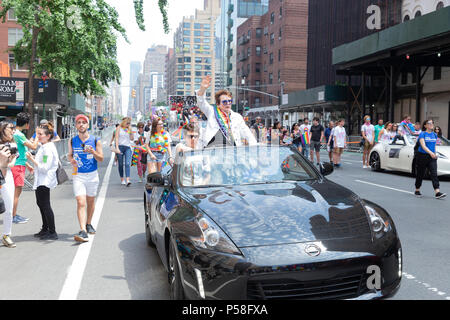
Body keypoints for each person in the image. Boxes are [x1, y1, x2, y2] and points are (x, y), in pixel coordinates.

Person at [68, 114, 104, 243]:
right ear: (76, 125)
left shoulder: (95, 140)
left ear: (87, 125)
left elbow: (101, 158)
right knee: (80, 202)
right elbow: (70, 155)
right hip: (78, 176)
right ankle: (82, 230)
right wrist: (72, 160)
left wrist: (93, 152)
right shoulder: (72, 140)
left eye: (84, 122)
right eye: (79, 122)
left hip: (92, 175)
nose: (81, 124)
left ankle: (89, 223)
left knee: (90, 201)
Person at [196, 75, 257, 148]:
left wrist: (255, 147)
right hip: (213, 150)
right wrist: (202, 89)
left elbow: (247, 133)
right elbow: (201, 102)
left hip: (231, 152)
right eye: (224, 102)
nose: (228, 103)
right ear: (218, 104)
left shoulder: (237, 117)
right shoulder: (212, 112)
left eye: (229, 101)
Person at [26, 125, 59, 240]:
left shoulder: (48, 148)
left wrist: (31, 159)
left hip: (45, 180)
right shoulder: (44, 146)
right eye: (37, 134)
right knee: (40, 204)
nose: (38, 136)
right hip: (40, 180)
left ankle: (52, 231)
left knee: (45, 205)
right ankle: (45, 228)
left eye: (40, 134)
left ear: (48, 136)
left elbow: (44, 167)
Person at [12, 112, 39, 224]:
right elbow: (33, 146)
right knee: (16, 193)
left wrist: (27, 165)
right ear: (27, 124)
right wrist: (37, 135)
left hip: (18, 164)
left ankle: (13, 214)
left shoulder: (15, 133)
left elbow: (20, 151)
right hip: (18, 166)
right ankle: (13, 216)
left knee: (15, 192)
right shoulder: (19, 134)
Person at [414, 119, 446, 199]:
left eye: (432, 123)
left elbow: (434, 145)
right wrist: (431, 153)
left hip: (432, 157)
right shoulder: (422, 134)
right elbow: (423, 146)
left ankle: (437, 192)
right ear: (425, 125)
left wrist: (434, 153)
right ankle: (417, 189)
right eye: (429, 123)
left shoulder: (434, 135)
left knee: (434, 174)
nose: (431, 124)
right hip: (422, 156)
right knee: (420, 173)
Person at [0, 122, 17, 247]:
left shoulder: (13, 143)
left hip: (7, 177)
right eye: (11, 128)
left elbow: (11, 164)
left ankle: (6, 235)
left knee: (9, 207)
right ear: (2, 129)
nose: (13, 131)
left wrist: (8, 161)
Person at [115, 117, 134, 186]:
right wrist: (117, 148)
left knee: (127, 163)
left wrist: (131, 132)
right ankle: (122, 179)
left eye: (129, 123)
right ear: (124, 122)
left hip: (128, 148)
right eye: (127, 123)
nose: (128, 124)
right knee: (120, 164)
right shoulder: (119, 128)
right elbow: (116, 138)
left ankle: (128, 180)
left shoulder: (128, 129)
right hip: (120, 147)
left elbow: (132, 139)